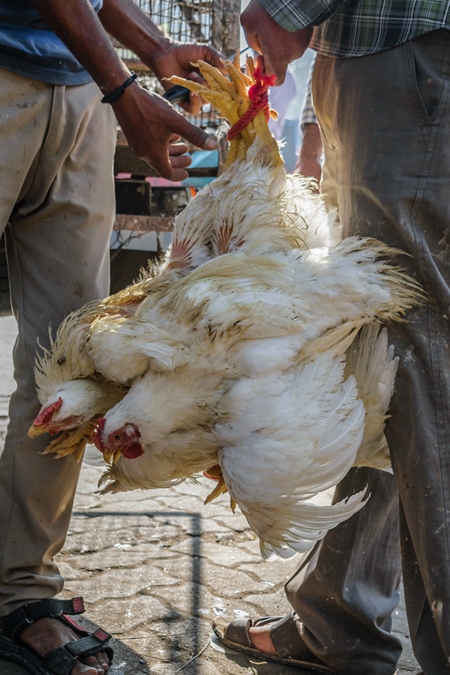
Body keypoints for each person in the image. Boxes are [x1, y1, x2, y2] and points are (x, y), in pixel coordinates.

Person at [214, 2, 450, 674]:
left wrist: (289, 7)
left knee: (417, 347)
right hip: (400, 59)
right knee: (380, 344)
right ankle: (338, 615)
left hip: (411, 53)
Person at [0, 1, 223, 673]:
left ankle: (21, 591)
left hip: (76, 89)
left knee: (67, 365)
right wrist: (125, 88)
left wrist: (152, 50)